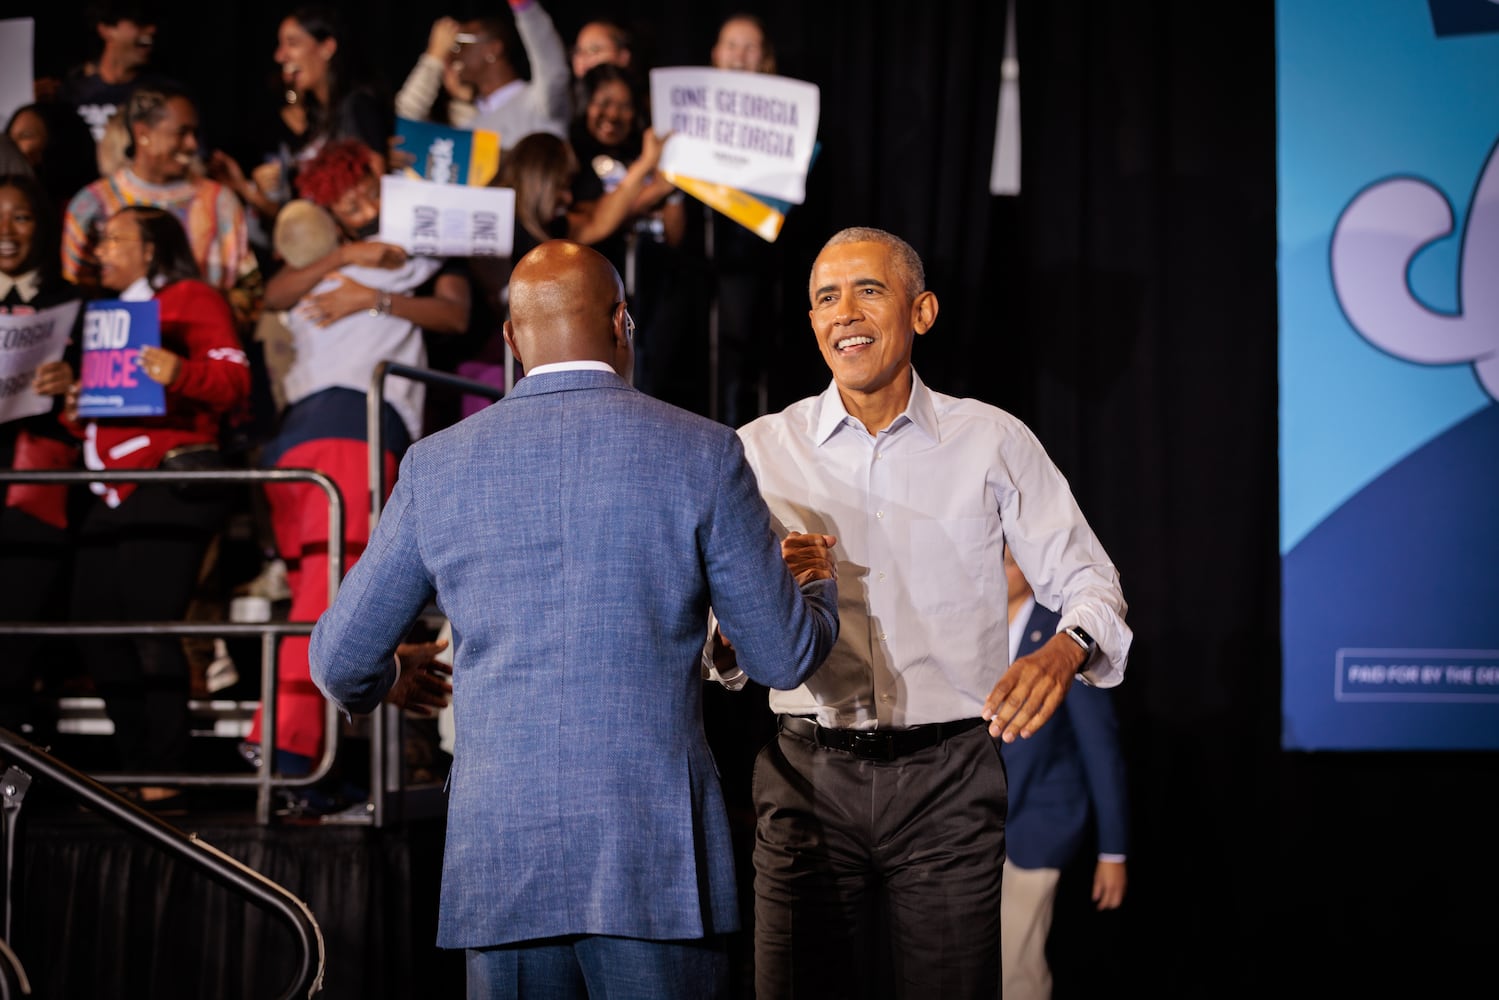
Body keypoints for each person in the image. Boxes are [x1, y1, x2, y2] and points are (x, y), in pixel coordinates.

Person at [307, 238, 841, 997]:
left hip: (501, 858)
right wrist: (815, 587)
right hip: (654, 860)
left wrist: (391, 676)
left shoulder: (435, 464)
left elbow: (337, 662)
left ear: (509, 338)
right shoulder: (703, 452)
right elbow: (782, 657)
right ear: (623, 323)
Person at [708, 226, 1132, 997]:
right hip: (805, 778)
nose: (844, 312)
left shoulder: (993, 440)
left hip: (950, 782)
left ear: (922, 311)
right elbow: (716, 636)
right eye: (824, 298)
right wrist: (744, 619)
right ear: (811, 324)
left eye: (867, 290)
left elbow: (1090, 580)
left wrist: (1063, 648)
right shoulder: (756, 451)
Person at [241, 137, 471, 787]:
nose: (363, 206)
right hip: (332, 436)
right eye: (346, 200)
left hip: (342, 437)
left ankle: (313, 764)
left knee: (331, 594)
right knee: (331, 595)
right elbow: (272, 294)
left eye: (370, 190)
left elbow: (454, 309)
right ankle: (289, 750)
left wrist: (369, 296)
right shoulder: (321, 264)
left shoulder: (409, 252)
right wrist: (346, 260)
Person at [61, 205, 251, 798]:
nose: (101, 251)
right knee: (93, 623)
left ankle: (164, 775)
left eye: (115, 239)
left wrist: (180, 372)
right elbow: (110, 411)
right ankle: (133, 763)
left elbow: (234, 384)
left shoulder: (192, 298)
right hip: (106, 486)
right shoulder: (101, 316)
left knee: (148, 622)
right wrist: (74, 404)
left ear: (151, 250)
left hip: (168, 482)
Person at [999, 546, 1129, 1000]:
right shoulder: (976, 632)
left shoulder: (1062, 638)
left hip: (1037, 829)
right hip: (974, 833)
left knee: (1017, 967)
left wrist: (1113, 852)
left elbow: (1101, 751)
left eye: (1010, 561)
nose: (999, 569)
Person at [60, 85, 262, 327]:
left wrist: (208, 319)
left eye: (195, 133)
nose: (192, 144)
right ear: (143, 133)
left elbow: (249, 293)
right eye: (182, 132)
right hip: (118, 353)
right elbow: (74, 295)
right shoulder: (92, 205)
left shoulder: (220, 201)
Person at [0, 173, 84, 739]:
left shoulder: (75, 303)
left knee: (19, 637)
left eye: (21, 217)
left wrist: (75, 383)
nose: (6, 232)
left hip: (38, 489)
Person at [704, 13, 782, 426]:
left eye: (750, 46)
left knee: (743, 358)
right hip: (697, 255)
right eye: (732, 45)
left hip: (751, 257)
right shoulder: (694, 110)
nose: (739, 55)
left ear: (764, 58)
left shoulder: (783, 117)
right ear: (716, 54)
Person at [393, 0, 570, 153]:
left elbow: (553, 68)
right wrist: (434, 58)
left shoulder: (538, 103)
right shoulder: (470, 122)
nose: (452, 54)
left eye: (461, 44)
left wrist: (525, 7)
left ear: (492, 49)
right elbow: (406, 121)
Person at [56, 2, 164, 148]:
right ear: (106, 29)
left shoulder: (161, 93)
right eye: (139, 23)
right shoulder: (69, 92)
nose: (152, 30)